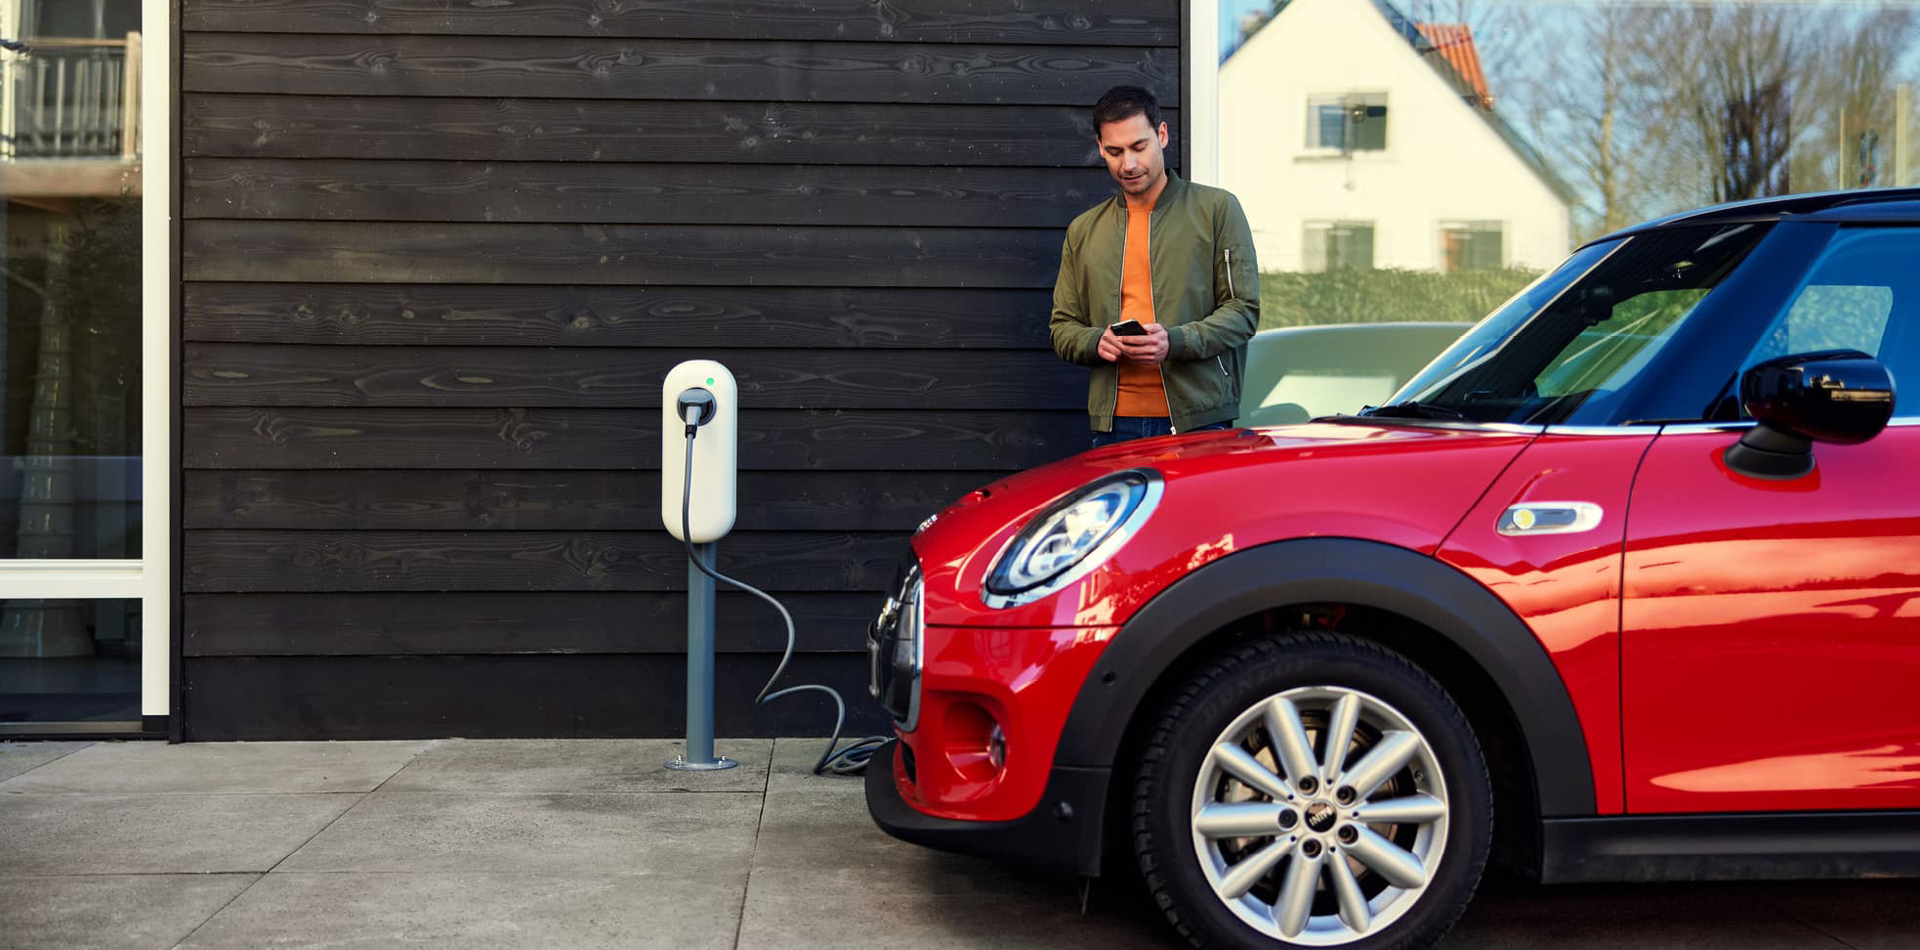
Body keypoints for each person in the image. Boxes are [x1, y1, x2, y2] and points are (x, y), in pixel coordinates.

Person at [1049, 85, 1260, 448]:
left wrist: (1174, 341)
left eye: (1138, 147)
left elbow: (1243, 312)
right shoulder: (1084, 230)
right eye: (1114, 151)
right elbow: (1062, 327)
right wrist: (1097, 340)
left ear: (1162, 135)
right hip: (1114, 426)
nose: (1128, 164)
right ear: (1100, 147)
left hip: (1199, 422)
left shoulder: (1217, 209)